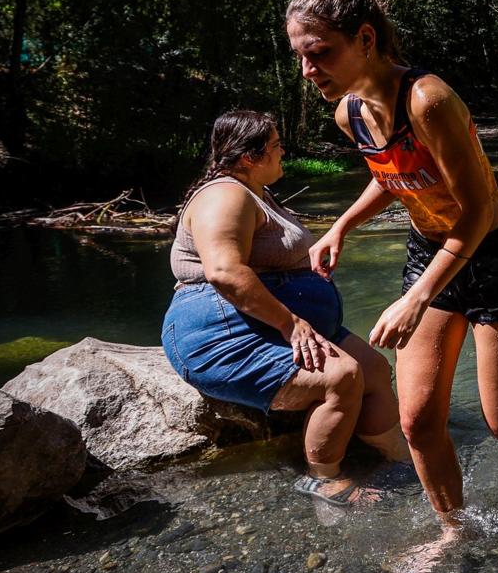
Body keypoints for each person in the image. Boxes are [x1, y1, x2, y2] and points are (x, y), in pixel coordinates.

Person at [283, 0, 498, 534]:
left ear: (365, 39)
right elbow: (392, 176)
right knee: (417, 419)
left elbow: (479, 210)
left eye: (319, 53)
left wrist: (417, 298)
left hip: (490, 257)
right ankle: (453, 529)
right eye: (300, 56)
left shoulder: (428, 101)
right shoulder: (349, 113)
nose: (307, 71)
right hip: (428, 253)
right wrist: (342, 224)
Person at [161, 110, 410, 507]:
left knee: (375, 368)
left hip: (263, 319)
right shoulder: (223, 195)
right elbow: (224, 272)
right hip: (222, 330)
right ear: (248, 156)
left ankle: (395, 455)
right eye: (276, 146)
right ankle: (323, 479)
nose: (282, 153)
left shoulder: (256, 193)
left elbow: (266, 257)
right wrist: (292, 323)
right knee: (341, 377)